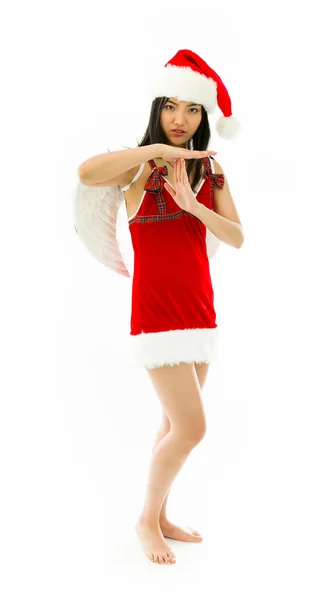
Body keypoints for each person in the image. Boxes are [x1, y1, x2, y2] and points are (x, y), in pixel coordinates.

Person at [77, 49, 244, 565]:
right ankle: (146, 518)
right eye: (171, 107)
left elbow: (236, 237)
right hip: (157, 315)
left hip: (200, 311)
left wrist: (195, 205)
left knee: (174, 424)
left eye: (192, 109)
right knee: (193, 428)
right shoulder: (139, 167)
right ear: (158, 108)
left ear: (203, 117)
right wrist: (148, 149)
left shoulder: (210, 170)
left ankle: (162, 513)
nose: (180, 119)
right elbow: (85, 173)